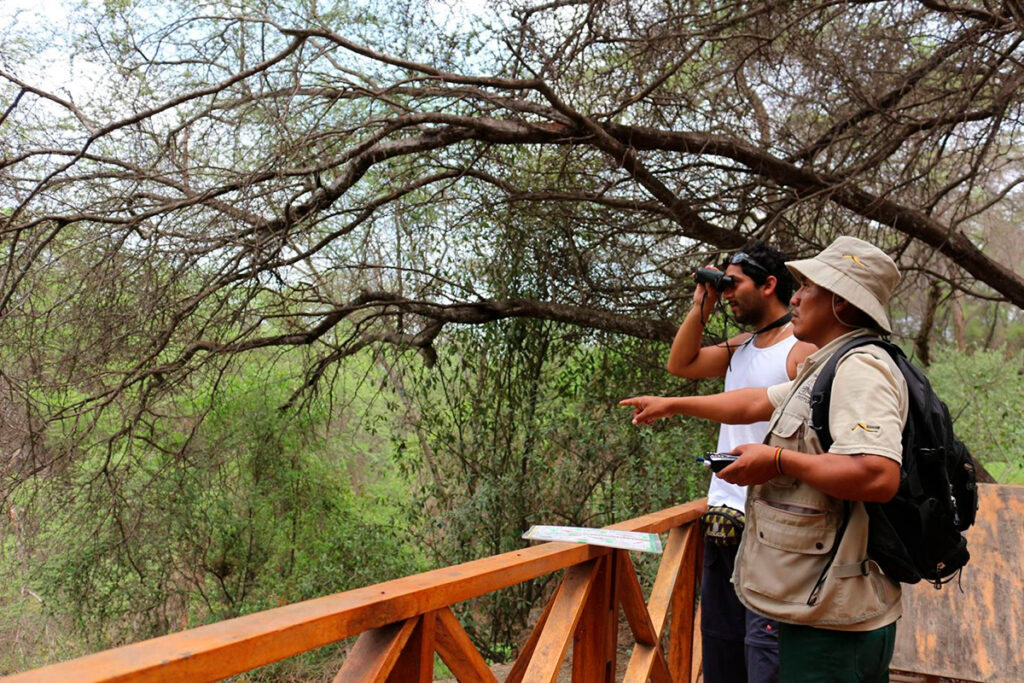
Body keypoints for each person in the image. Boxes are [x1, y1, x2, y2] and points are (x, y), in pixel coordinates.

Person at [621, 236, 906, 682]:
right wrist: (674, 403)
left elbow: (878, 474)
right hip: (774, 546)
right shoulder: (825, 363)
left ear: (841, 303)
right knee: (731, 648)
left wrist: (776, 461)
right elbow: (753, 402)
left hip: (817, 574)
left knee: (766, 659)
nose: (796, 296)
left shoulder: (856, 367)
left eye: (808, 286)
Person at [666, 241, 814, 683]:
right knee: (721, 639)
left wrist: (674, 405)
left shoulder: (799, 348)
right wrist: (701, 306)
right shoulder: (742, 346)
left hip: (772, 519)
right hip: (724, 510)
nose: (728, 293)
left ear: (769, 285)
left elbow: (780, 415)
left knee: (765, 647)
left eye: (735, 284)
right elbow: (681, 363)